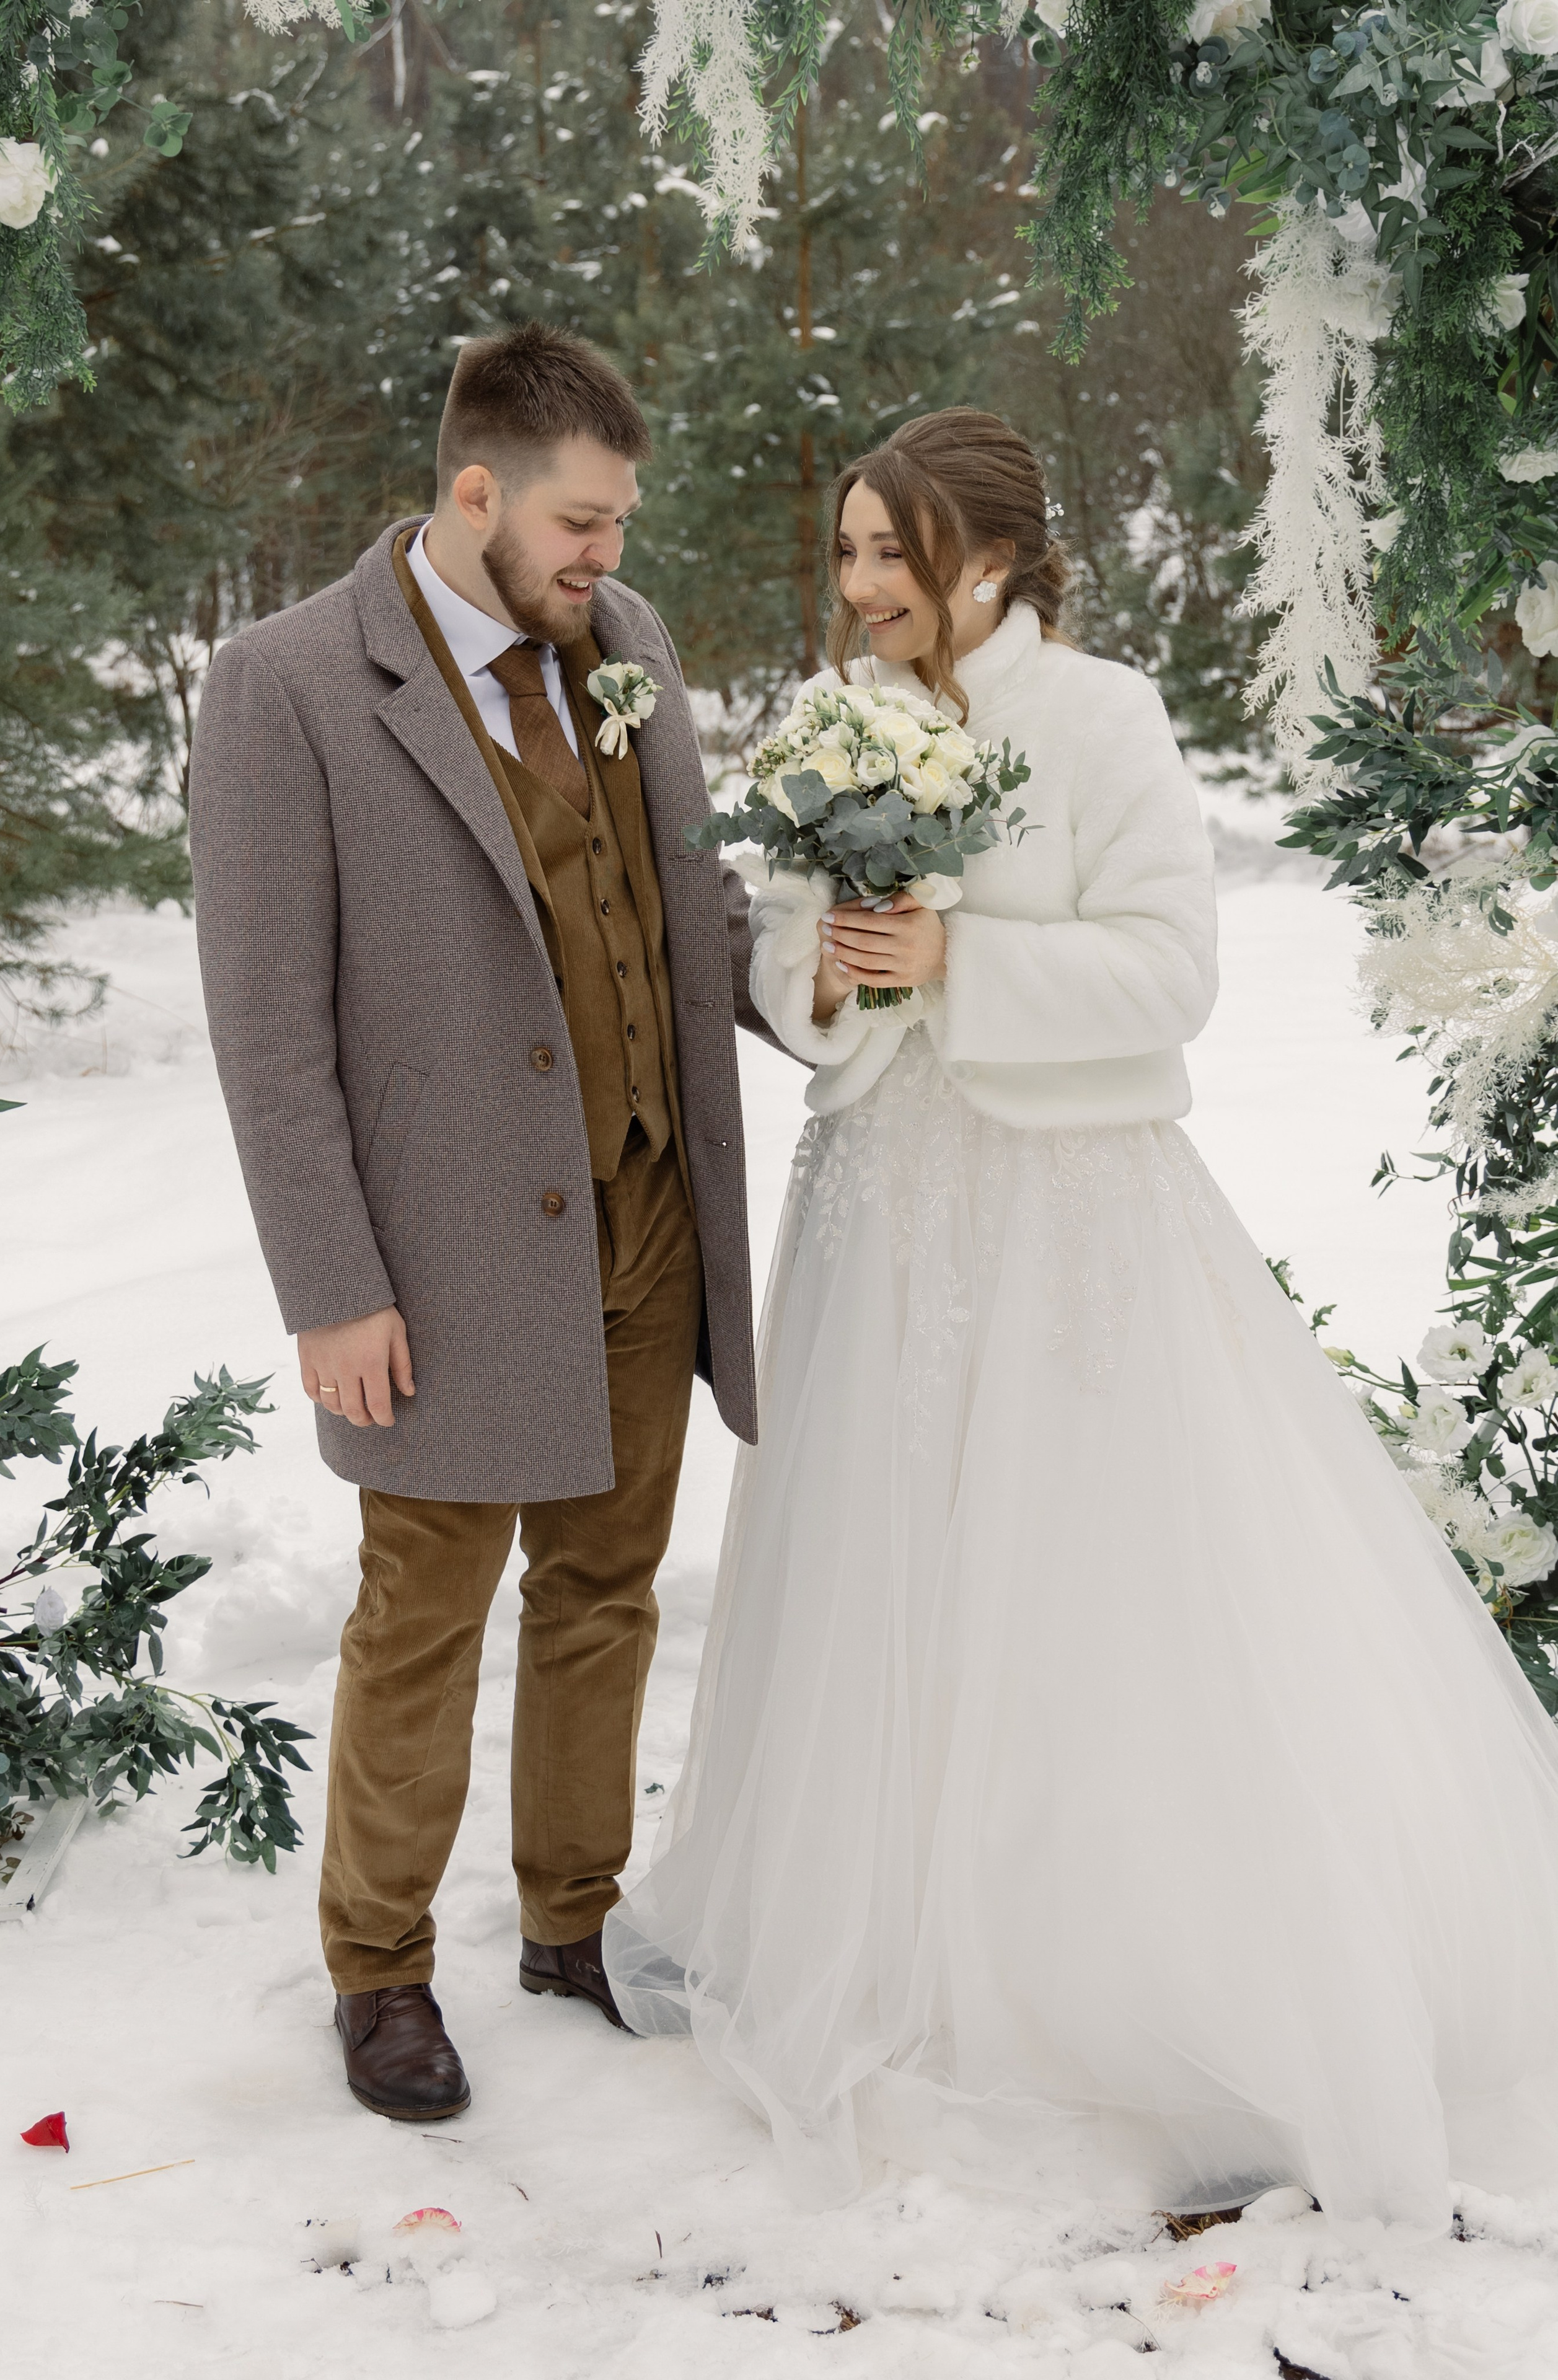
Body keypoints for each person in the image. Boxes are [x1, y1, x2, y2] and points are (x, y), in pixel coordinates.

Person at [603, 407, 1558, 2236]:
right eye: (850, 554)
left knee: (1092, 1576)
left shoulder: (1104, 720)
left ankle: (1126, 1970)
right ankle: (882, 1932)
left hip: (1075, 1218)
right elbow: (795, 970)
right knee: (893, 1568)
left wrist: (968, 957)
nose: (861, 586)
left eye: (892, 552)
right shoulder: (839, 720)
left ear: (989, 556)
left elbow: (1175, 971)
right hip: (885, 1207)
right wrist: (823, 968)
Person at [190, 322, 782, 2122]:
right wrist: (331, 1286)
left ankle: (572, 1922)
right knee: (421, 1616)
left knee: (605, 1592)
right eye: (584, 523)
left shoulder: (633, 643)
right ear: (476, 494)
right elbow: (266, 1026)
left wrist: (811, 977)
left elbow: (682, 908)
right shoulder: (285, 683)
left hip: (651, 1210)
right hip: (438, 1262)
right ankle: (378, 1973)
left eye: (617, 526)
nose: (610, 556)